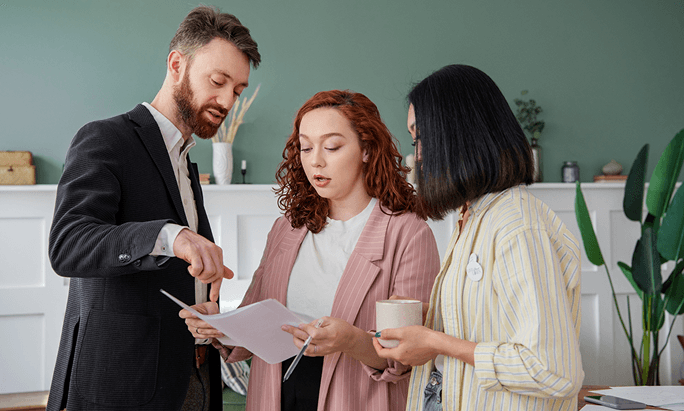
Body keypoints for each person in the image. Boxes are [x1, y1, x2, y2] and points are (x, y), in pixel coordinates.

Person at [46, 6, 260, 411]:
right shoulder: (106, 138)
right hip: (121, 388)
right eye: (218, 81)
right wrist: (170, 235)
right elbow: (68, 244)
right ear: (177, 64)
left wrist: (207, 310)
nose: (227, 99)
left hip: (193, 379)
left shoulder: (184, 161)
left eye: (238, 90)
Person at [180, 89, 441, 411]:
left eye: (332, 146)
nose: (315, 159)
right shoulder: (287, 229)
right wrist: (220, 325)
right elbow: (255, 321)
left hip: (358, 396)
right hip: (274, 391)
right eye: (305, 147)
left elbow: (409, 354)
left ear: (367, 150)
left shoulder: (409, 233)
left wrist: (352, 340)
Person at [372, 64, 584, 410]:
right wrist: (429, 318)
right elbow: (492, 321)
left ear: (460, 132)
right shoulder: (470, 217)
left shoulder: (517, 223)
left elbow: (551, 370)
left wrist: (436, 341)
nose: (419, 154)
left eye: (422, 136)